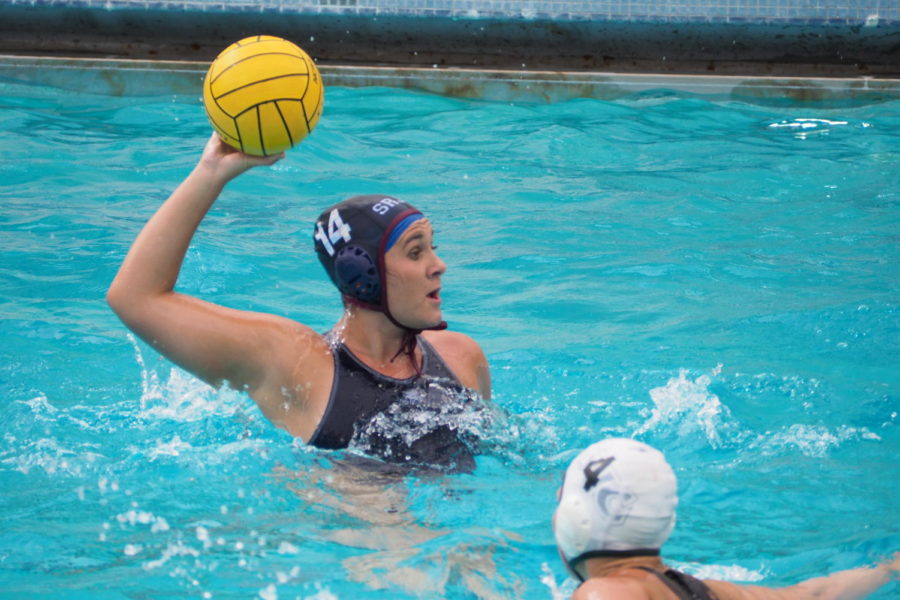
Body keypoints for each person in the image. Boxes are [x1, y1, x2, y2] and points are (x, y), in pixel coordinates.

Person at [107, 133, 492, 472]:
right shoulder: (299, 365)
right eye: (415, 253)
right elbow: (135, 297)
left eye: (433, 249)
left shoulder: (460, 357)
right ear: (363, 273)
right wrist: (211, 173)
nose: (438, 266)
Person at [553, 437, 898, 600]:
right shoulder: (702, 591)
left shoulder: (606, 593)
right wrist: (889, 567)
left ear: (577, 516)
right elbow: (815, 593)